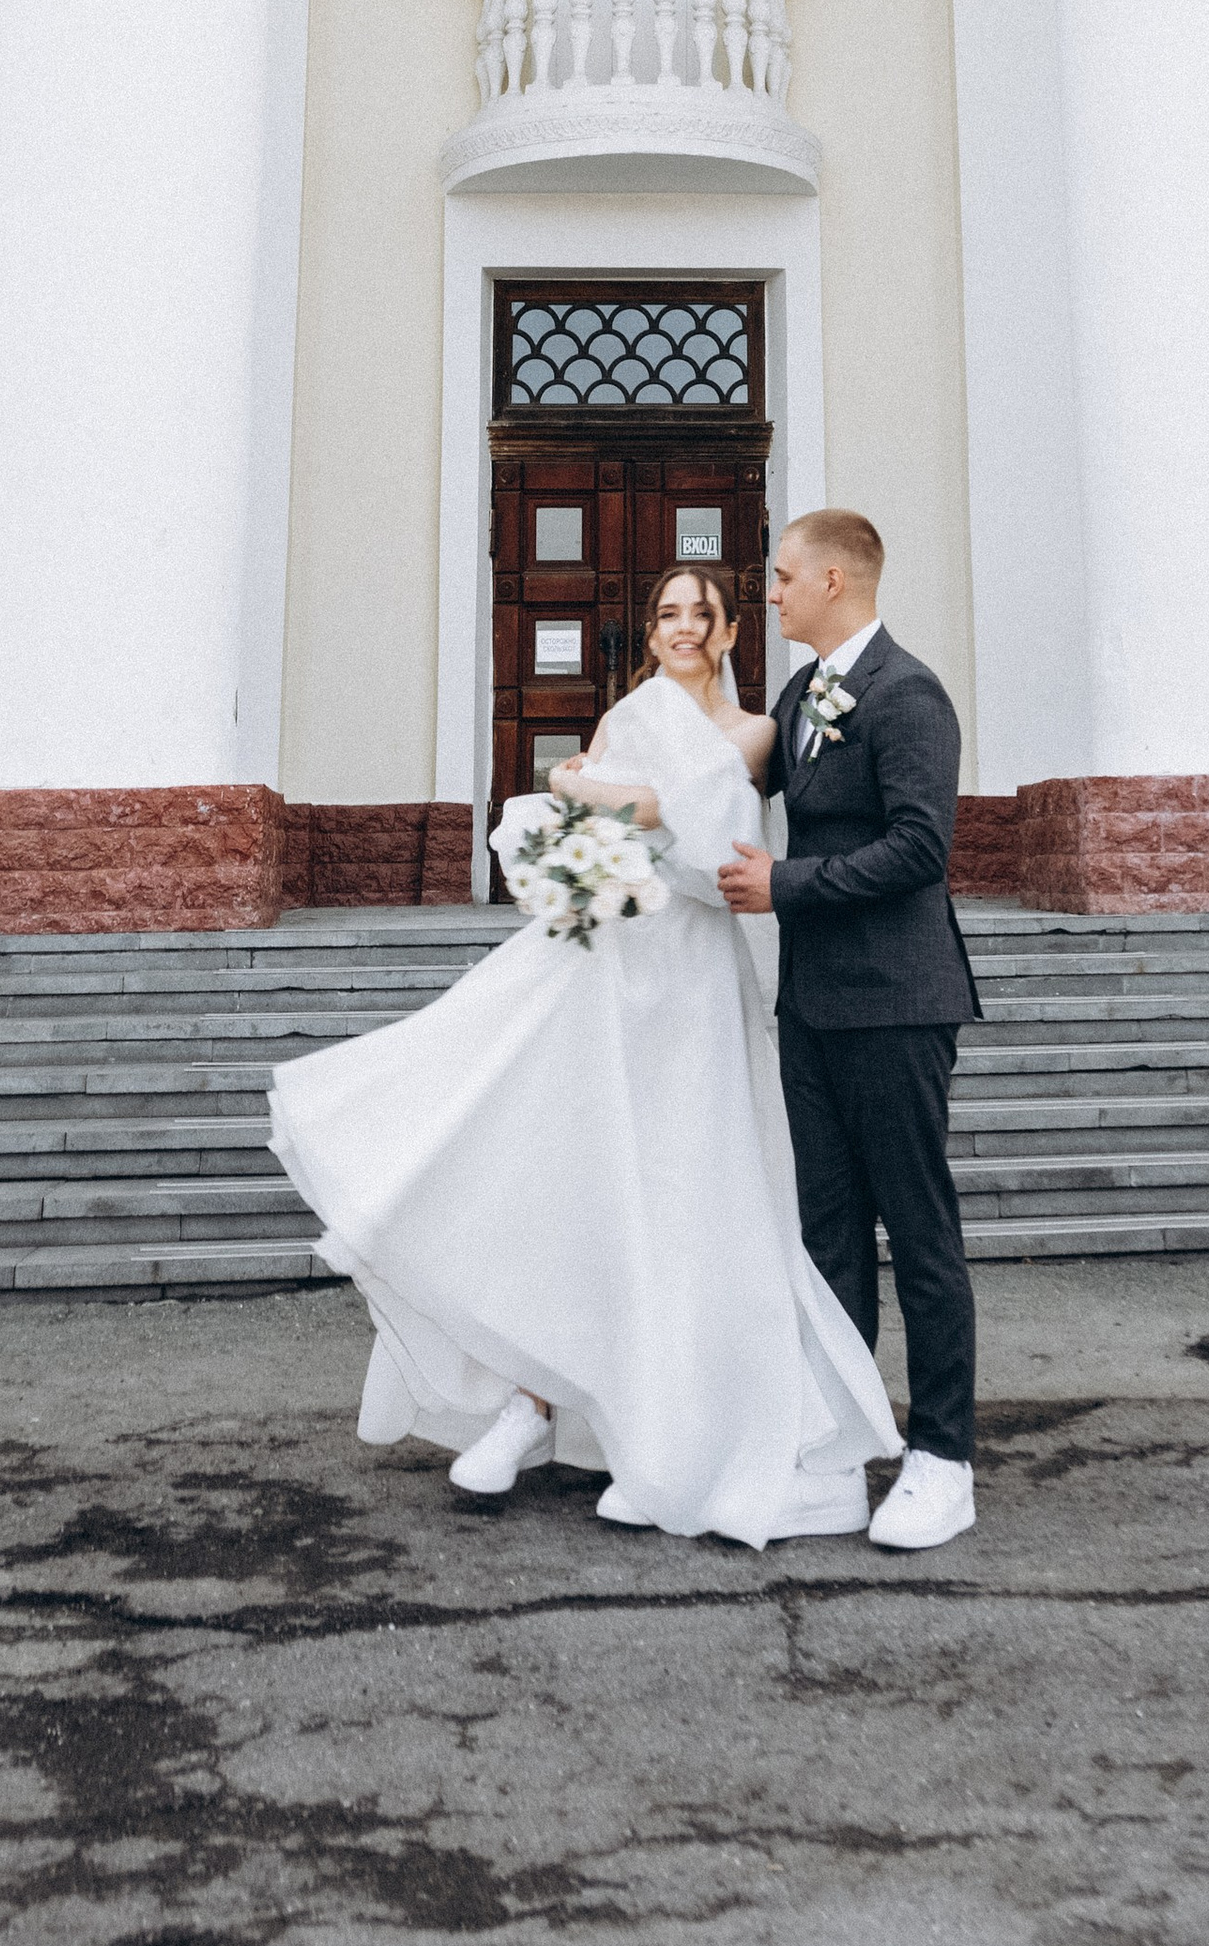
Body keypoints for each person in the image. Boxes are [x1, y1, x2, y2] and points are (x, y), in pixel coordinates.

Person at [266, 563, 900, 1547]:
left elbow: (691, 833)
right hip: (606, 969)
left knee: (684, 1193)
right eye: (666, 613)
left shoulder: (752, 733)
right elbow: (573, 830)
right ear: (648, 629)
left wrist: (588, 787)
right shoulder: (624, 715)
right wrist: (575, 814)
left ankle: (657, 1427)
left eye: (702, 613)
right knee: (572, 1175)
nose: (681, 627)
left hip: (693, 981)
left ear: (730, 630)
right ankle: (531, 1401)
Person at [717, 509, 984, 1554]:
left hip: (900, 1002)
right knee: (827, 1235)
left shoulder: (908, 694)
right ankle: (840, 1444)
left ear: (833, 578)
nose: (769, 592)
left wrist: (782, 884)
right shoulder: (803, 689)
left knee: (917, 1233)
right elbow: (729, 772)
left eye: (781, 576)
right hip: (815, 1005)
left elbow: (922, 847)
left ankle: (943, 1457)